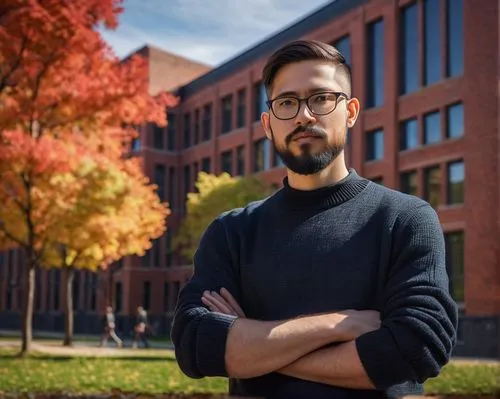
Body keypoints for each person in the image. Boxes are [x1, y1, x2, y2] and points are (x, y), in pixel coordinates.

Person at [171, 40, 458, 398]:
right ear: (268, 123)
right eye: (287, 102)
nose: (304, 115)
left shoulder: (405, 219)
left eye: (321, 98)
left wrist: (251, 342)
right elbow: (195, 344)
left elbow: (418, 346)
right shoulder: (232, 231)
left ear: (351, 111)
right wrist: (341, 325)